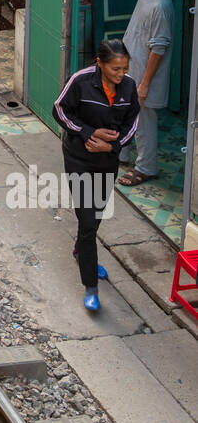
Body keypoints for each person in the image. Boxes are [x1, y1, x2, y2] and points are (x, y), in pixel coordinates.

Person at [53, 38, 141, 312]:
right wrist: (88, 133)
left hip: (107, 161)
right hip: (79, 158)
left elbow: (132, 122)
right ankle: (91, 285)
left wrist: (112, 146)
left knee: (98, 211)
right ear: (100, 64)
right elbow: (59, 109)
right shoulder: (80, 81)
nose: (121, 74)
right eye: (115, 68)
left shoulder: (128, 87)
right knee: (88, 220)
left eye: (124, 68)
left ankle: (81, 250)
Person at [119, 0, 175, 188]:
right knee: (127, 114)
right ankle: (120, 153)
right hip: (132, 70)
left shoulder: (160, 6)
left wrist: (144, 83)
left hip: (144, 75)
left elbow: (158, 49)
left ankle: (145, 167)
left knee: (144, 121)